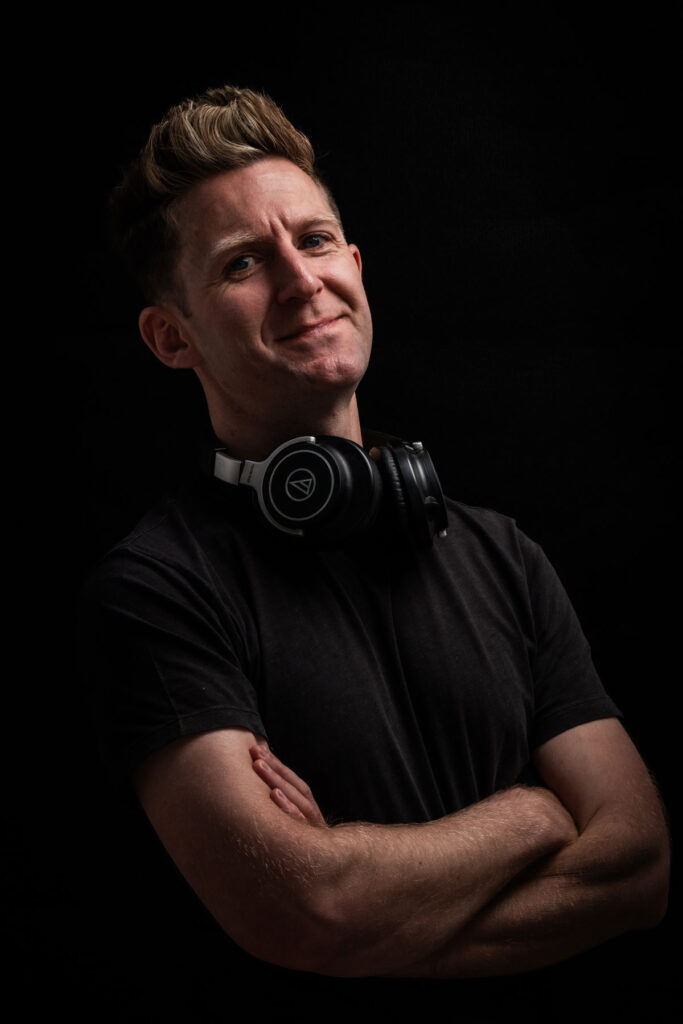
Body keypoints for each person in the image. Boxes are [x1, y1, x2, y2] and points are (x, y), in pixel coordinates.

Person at [80, 84, 669, 988]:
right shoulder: (157, 591)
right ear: (170, 337)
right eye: (243, 264)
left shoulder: (504, 555)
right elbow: (308, 913)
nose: (300, 281)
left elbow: (639, 868)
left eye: (315, 241)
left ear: (354, 263)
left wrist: (366, 898)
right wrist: (536, 816)